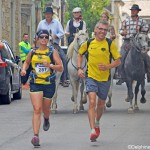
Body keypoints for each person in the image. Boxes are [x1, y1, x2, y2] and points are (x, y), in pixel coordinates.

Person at [77, 20, 121, 142]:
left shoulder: (109, 43)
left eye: (105, 30)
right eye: (100, 29)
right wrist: (80, 68)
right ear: (95, 30)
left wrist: (108, 67)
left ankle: (97, 123)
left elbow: (118, 61)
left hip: (105, 79)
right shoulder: (89, 42)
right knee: (92, 101)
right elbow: (79, 54)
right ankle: (92, 130)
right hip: (91, 77)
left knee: (100, 104)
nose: (102, 32)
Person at [21, 29, 63, 147]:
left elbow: (61, 68)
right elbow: (27, 63)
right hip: (35, 83)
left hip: (49, 83)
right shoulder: (32, 52)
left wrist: (50, 65)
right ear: (38, 39)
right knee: (37, 109)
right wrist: (24, 69)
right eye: (41, 37)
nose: (44, 39)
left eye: (46, 37)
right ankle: (36, 136)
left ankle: (46, 118)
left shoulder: (52, 51)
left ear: (48, 39)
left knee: (45, 109)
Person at [116, 4, 150, 85]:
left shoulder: (142, 21)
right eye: (132, 10)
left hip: (138, 42)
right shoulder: (126, 21)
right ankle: (121, 75)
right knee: (121, 56)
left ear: (138, 11)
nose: (133, 11)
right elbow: (120, 30)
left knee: (146, 57)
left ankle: (149, 74)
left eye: (134, 10)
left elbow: (147, 29)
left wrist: (141, 29)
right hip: (127, 41)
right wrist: (122, 32)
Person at [37, 6, 69, 87]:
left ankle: (64, 79)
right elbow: (37, 34)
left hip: (54, 45)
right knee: (34, 56)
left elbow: (62, 33)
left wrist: (56, 36)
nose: (48, 15)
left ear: (52, 14)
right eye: (46, 14)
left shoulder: (57, 23)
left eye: (49, 14)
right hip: (43, 44)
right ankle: (32, 76)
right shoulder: (41, 23)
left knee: (64, 58)